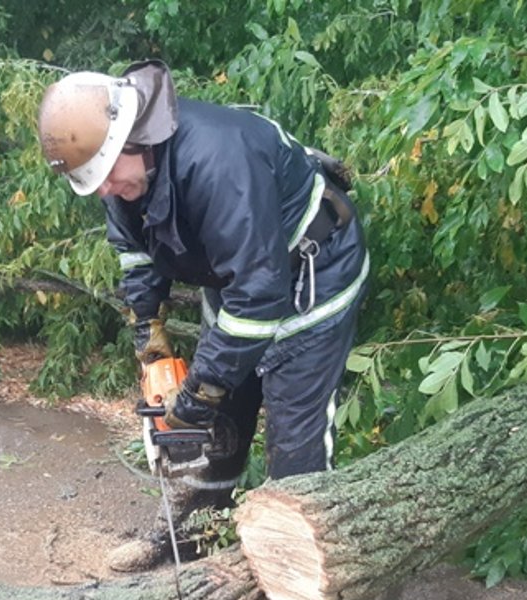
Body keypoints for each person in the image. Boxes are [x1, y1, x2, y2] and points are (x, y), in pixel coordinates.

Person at [36, 60, 368, 572]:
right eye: (94, 182)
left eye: (105, 177)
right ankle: (190, 537)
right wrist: (150, 331)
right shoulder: (120, 176)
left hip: (311, 276)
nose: (103, 190)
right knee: (218, 426)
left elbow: (260, 299)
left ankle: (297, 582)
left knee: (293, 442)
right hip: (237, 282)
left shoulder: (218, 161)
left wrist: (198, 395)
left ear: (133, 141)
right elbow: (136, 251)